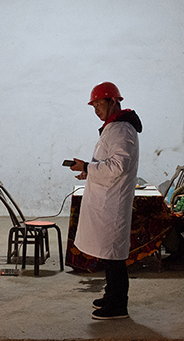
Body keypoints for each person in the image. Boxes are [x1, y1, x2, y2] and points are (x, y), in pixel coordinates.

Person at [69, 82, 142, 320]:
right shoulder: (113, 127)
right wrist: (88, 170)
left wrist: (89, 167)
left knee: (114, 256)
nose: (96, 110)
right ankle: (111, 295)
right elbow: (108, 163)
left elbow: (118, 166)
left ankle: (118, 305)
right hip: (106, 201)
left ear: (114, 102)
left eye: (99, 104)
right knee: (108, 254)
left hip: (113, 203)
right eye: (94, 106)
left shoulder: (121, 129)